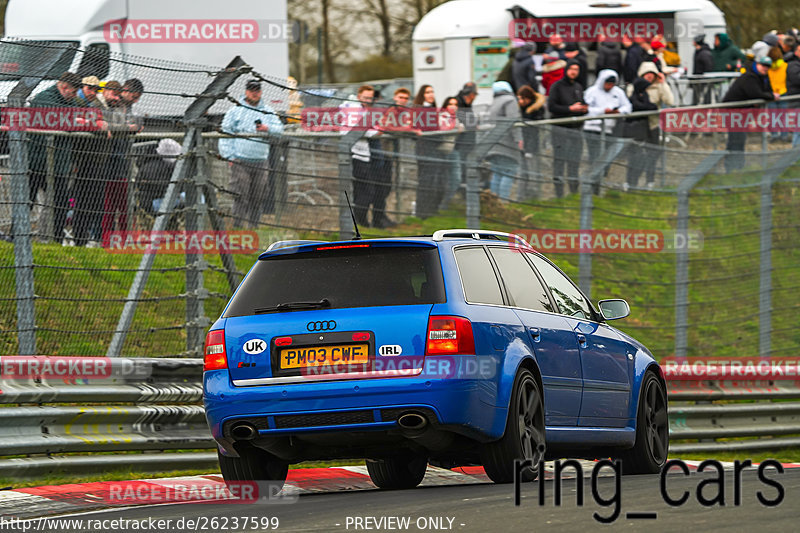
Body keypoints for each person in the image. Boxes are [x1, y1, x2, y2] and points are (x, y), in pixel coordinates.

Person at [219, 79, 284, 228]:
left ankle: (254, 227)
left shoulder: (268, 111)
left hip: (261, 161)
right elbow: (225, 133)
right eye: (251, 90)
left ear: (260, 92)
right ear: (246, 92)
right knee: (241, 194)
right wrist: (229, 156)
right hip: (240, 161)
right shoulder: (235, 111)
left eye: (257, 90)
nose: (254, 93)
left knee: (258, 195)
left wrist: (267, 128)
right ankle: (238, 226)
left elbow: (279, 130)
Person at [26, 71, 81, 244]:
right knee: (27, 201)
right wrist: (77, 119)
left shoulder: (67, 101)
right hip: (36, 161)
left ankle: (55, 239)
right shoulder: (44, 98)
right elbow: (62, 118)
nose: (73, 97)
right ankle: (15, 236)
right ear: (64, 87)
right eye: (72, 93)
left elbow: (78, 113)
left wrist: (78, 119)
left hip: (57, 164)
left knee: (62, 202)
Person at [101, 78, 145, 240]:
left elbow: (133, 124)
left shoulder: (129, 110)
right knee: (108, 206)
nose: (135, 101)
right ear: (125, 91)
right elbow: (112, 126)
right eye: (133, 97)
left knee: (125, 204)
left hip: (123, 161)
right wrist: (128, 128)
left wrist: (136, 127)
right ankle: (106, 238)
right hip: (109, 161)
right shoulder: (112, 106)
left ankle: (126, 239)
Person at [721, 56, 779, 172]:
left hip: (742, 112)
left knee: (738, 140)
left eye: (767, 66)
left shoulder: (762, 77)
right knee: (736, 140)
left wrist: (769, 95)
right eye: (763, 65)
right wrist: (772, 96)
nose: (765, 68)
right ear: (757, 64)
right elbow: (755, 93)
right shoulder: (749, 77)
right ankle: (732, 168)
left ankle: (736, 167)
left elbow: (766, 91)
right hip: (733, 112)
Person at [625, 62, 674, 188]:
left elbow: (670, 101)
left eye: (652, 75)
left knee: (653, 154)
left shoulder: (658, 87)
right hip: (638, 126)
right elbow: (632, 104)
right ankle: (631, 182)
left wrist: (663, 84)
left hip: (653, 125)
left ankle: (650, 180)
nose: (650, 77)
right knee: (635, 156)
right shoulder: (633, 88)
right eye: (647, 75)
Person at [71, 75, 107, 246]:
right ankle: (79, 238)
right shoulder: (76, 102)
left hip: (97, 159)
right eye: (89, 89)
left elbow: (104, 124)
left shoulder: (97, 105)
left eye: (95, 90)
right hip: (81, 159)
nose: (92, 92)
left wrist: (98, 125)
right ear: (82, 87)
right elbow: (90, 125)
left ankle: (88, 237)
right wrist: (97, 125)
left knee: (94, 201)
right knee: (80, 201)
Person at [582, 70, 631, 190]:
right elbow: (586, 109)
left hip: (609, 129)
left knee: (607, 156)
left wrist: (618, 111)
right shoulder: (592, 92)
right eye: (607, 84)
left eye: (612, 84)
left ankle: (601, 179)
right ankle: (594, 184)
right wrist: (603, 111)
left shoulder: (618, 92)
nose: (609, 87)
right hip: (593, 128)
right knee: (595, 156)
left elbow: (627, 106)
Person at [547, 60, 588, 197]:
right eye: (571, 69)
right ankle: (559, 194)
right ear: (566, 70)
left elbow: (581, 104)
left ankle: (573, 193)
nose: (574, 72)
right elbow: (551, 107)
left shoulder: (578, 86)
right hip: (560, 130)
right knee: (559, 162)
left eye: (576, 69)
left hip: (575, 130)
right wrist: (569, 108)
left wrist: (583, 109)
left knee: (574, 162)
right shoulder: (557, 86)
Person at [340, 84, 379, 226]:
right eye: (365, 97)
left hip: (362, 152)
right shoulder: (354, 109)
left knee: (360, 189)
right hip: (355, 153)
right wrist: (378, 131)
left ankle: (358, 221)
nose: (368, 100)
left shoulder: (363, 109)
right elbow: (356, 130)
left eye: (370, 97)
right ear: (359, 96)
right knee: (368, 190)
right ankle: (360, 221)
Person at [484, 81, 522, 201]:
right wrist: (519, 139)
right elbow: (513, 121)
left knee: (497, 173)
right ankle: (503, 203)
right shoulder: (510, 100)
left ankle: (494, 203)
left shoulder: (494, 103)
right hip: (507, 144)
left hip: (493, 144)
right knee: (509, 171)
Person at [413, 84, 447, 218]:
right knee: (425, 181)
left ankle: (431, 210)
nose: (431, 94)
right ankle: (421, 212)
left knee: (435, 181)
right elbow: (425, 130)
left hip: (434, 149)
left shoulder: (432, 110)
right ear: (422, 95)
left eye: (432, 92)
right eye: (427, 92)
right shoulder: (421, 110)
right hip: (425, 150)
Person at [624, 77, 659, 190]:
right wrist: (648, 107)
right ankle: (630, 182)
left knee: (643, 158)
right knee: (634, 158)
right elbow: (640, 107)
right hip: (633, 130)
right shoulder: (633, 97)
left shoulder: (644, 95)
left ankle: (635, 182)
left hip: (644, 129)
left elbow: (650, 106)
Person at [138, 138, 183, 216]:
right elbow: (165, 188)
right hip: (156, 201)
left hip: (148, 202)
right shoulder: (160, 166)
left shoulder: (145, 164)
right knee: (192, 198)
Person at [767, 46, 789, 142]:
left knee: (773, 116)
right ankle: (784, 135)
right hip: (783, 91)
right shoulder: (785, 66)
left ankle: (774, 135)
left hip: (771, 93)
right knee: (783, 116)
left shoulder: (768, 67)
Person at [786, 42, 800, 147]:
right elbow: (796, 79)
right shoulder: (793, 64)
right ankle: (794, 157)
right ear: (796, 52)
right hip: (796, 102)